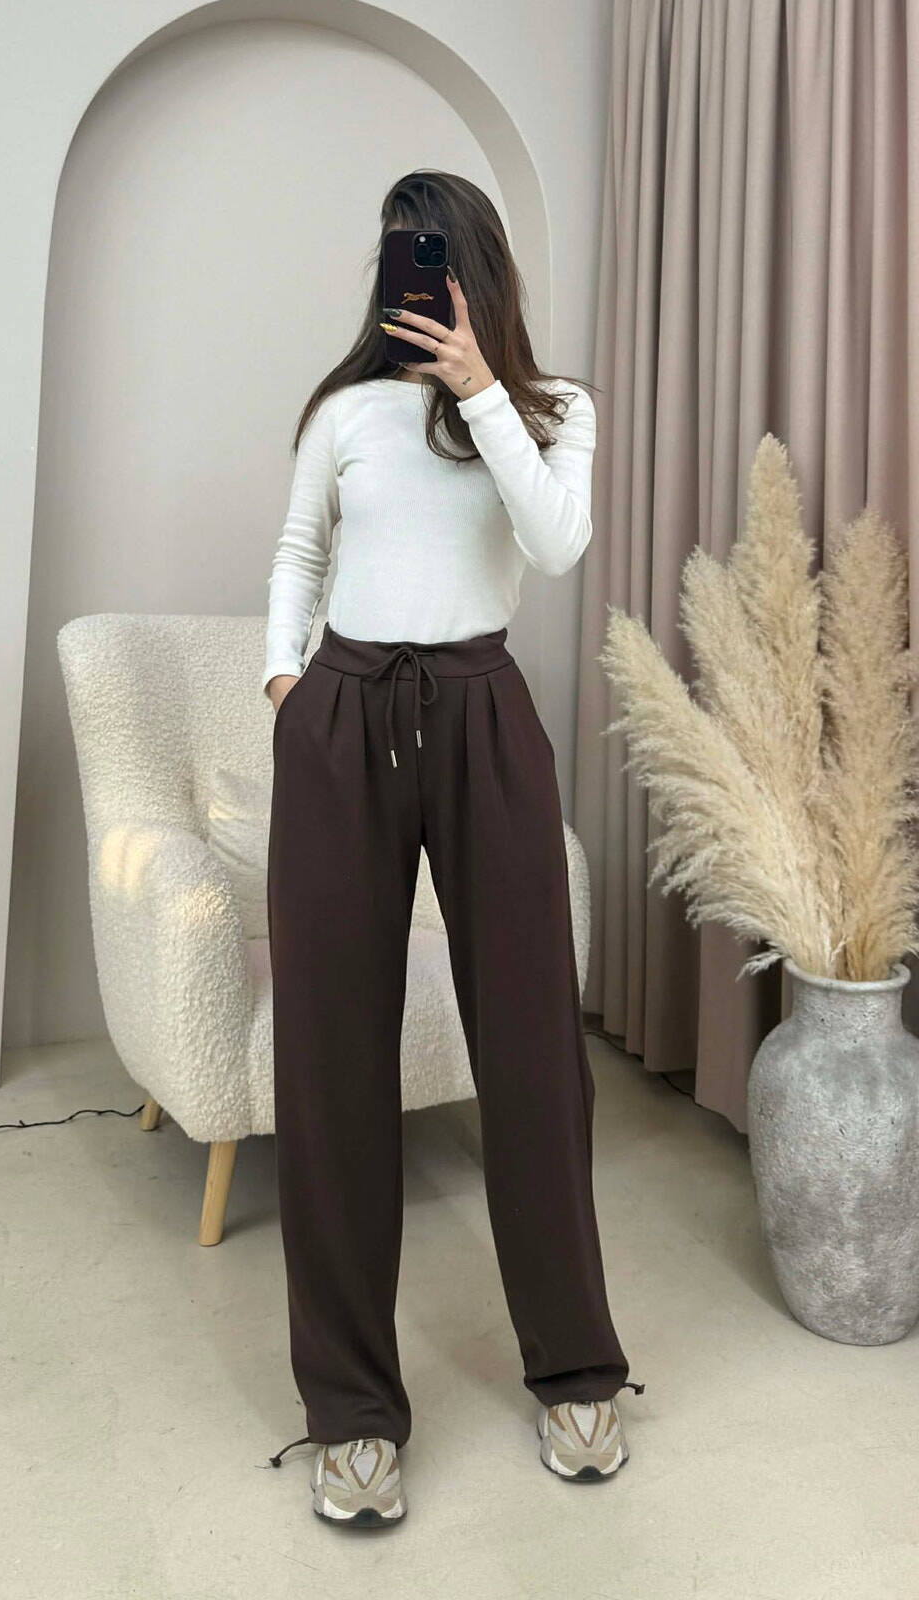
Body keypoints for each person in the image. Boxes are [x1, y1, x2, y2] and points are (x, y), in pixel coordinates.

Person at [263, 171, 641, 1528]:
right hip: (344, 713)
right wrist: (282, 681)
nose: (409, 279)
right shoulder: (344, 412)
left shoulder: (555, 409)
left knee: (535, 1050)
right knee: (330, 1062)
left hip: (483, 712)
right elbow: (298, 555)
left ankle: (577, 1369)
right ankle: (352, 1413)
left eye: (429, 256)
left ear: (476, 270)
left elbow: (559, 544)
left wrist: (482, 390)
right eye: (395, 258)